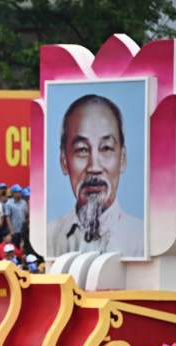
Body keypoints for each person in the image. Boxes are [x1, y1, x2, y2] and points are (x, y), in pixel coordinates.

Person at [47, 94, 143, 257]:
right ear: (64, 160)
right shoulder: (50, 236)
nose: (94, 167)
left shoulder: (141, 239)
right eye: (82, 150)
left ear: (122, 159)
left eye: (106, 148)